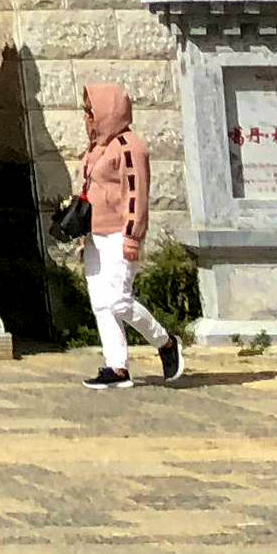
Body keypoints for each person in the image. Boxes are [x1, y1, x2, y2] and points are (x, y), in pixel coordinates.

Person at [79, 80, 183, 389]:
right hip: (95, 234)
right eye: (86, 111)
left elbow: (136, 193)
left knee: (118, 300)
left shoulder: (130, 146)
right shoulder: (97, 147)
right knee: (101, 302)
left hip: (118, 234)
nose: (87, 117)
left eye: (91, 111)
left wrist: (133, 236)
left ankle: (164, 342)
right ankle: (117, 367)